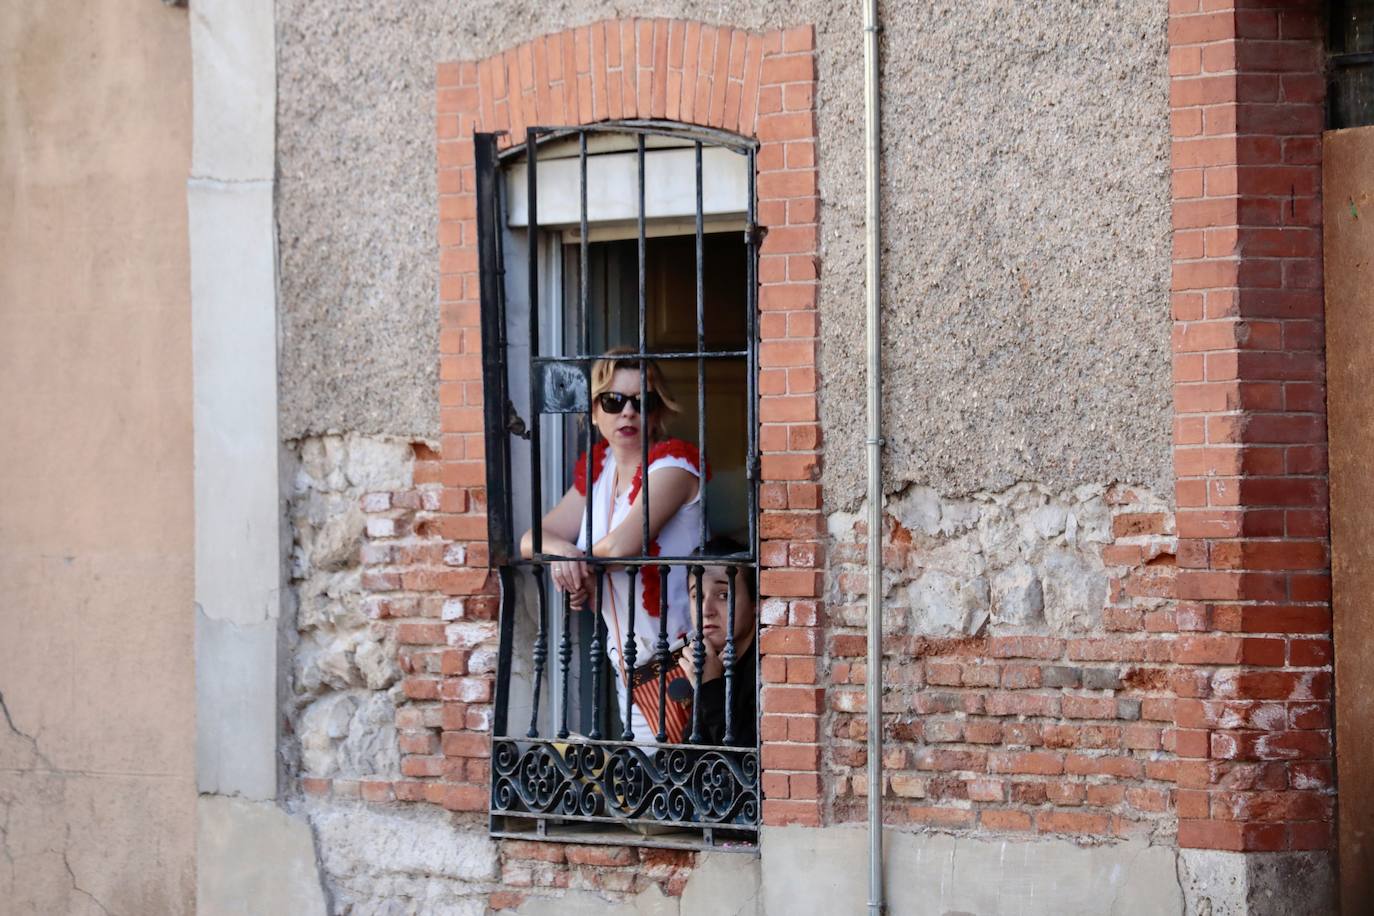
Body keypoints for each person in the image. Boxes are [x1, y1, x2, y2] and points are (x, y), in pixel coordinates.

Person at [520, 347, 708, 743]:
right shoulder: (599, 469)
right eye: (613, 400)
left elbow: (622, 546)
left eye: (643, 401)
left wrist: (575, 560)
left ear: (657, 411)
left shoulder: (674, 467)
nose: (627, 412)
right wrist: (563, 555)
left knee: (669, 784)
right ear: (594, 411)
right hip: (630, 667)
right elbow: (530, 539)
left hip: (683, 662)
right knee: (643, 782)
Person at [678, 537, 758, 748]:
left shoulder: (769, 669)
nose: (706, 610)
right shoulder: (710, 659)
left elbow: (748, 766)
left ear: (755, 603)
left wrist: (711, 686)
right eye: (697, 596)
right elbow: (690, 761)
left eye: (723, 595)